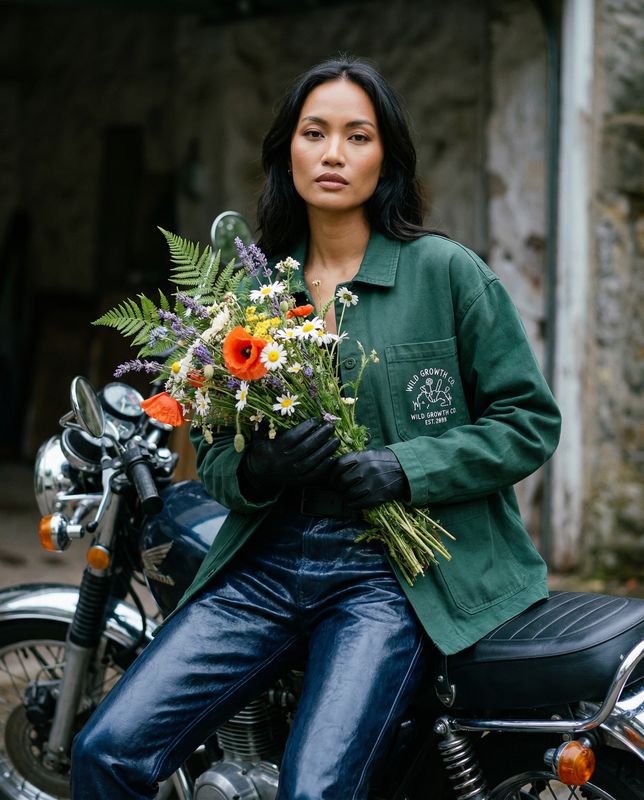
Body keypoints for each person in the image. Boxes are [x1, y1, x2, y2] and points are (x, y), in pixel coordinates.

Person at [70, 57, 561, 799]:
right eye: (315, 133)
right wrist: (262, 470)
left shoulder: (446, 274)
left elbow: (528, 422)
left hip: (389, 577)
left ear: (386, 158)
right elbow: (215, 459)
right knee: (107, 749)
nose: (334, 154)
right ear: (287, 152)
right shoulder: (250, 292)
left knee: (316, 790)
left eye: (357, 136)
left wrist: (406, 468)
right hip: (267, 565)